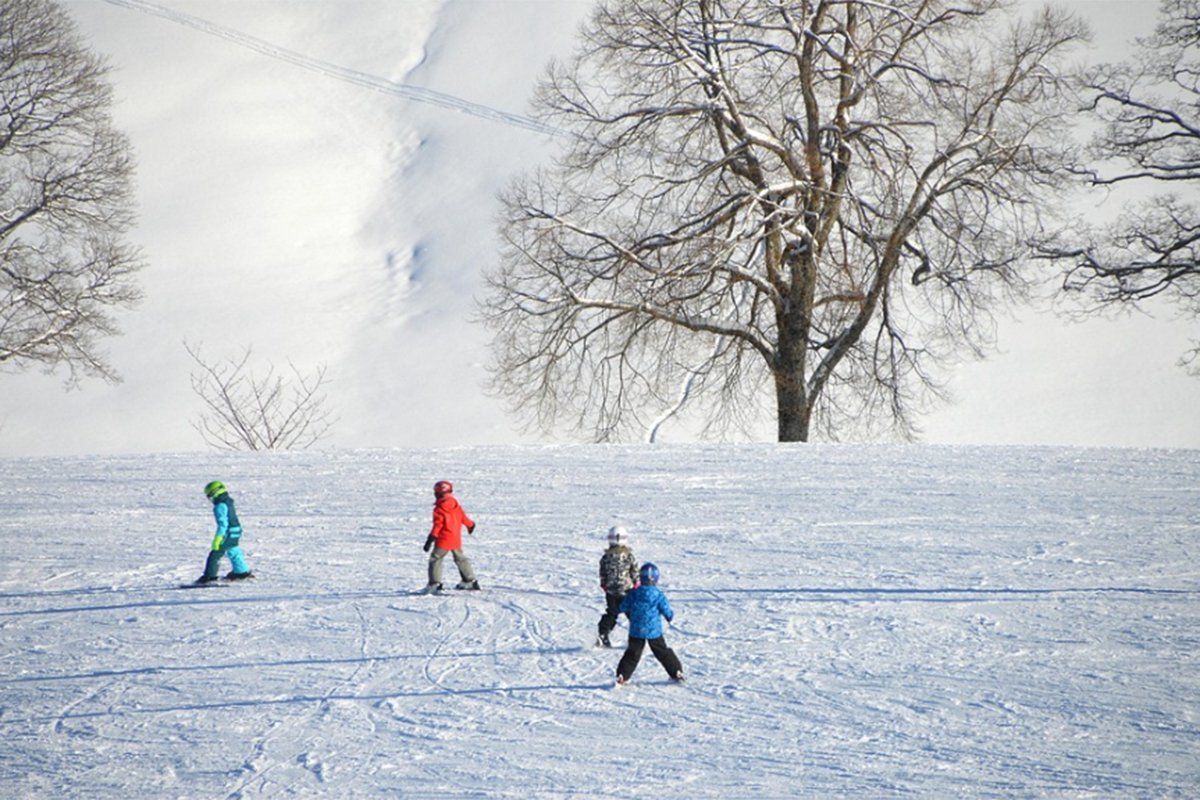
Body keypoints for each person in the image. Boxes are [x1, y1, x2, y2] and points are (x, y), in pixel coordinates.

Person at [616, 562, 684, 685]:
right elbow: (666, 610)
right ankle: (676, 671)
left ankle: (622, 675)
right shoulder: (658, 595)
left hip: (636, 630)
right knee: (662, 652)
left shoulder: (633, 594)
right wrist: (669, 616)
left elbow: (623, 606)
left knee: (632, 654)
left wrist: (621, 608)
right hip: (654, 631)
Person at [422, 480, 480, 593]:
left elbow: (438, 525)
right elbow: (463, 518)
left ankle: (434, 584)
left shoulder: (439, 509)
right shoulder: (456, 505)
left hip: (444, 539)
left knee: (436, 558)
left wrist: (431, 538)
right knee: (460, 558)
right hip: (455, 538)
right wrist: (470, 525)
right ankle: (470, 580)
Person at [195, 480, 253, 584]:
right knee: (233, 549)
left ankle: (210, 576)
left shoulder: (220, 506)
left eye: (209, 496)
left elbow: (223, 524)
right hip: (236, 529)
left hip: (227, 532)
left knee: (216, 553)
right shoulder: (228, 501)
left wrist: (218, 539)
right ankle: (241, 571)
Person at [597, 525, 639, 648]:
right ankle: (638, 638)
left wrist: (604, 584)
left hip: (611, 591)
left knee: (611, 613)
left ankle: (603, 633)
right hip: (627, 591)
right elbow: (634, 571)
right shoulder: (629, 556)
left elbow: (602, 572)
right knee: (632, 614)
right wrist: (636, 583)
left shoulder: (606, 557)